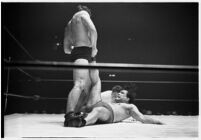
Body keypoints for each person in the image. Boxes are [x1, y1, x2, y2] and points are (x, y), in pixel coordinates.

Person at [63, 5, 101, 127]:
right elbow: (93, 29)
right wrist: (94, 47)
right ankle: (69, 115)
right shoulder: (83, 15)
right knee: (79, 84)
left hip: (81, 52)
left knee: (86, 87)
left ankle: (76, 112)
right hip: (84, 51)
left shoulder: (70, 23)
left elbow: (66, 49)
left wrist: (76, 46)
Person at [67, 84, 164, 127]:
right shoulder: (113, 100)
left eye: (122, 93)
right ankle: (72, 117)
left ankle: (81, 122)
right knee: (88, 93)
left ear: (127, 99)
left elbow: (142, 118)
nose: (119, 94)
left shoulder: (130, 107)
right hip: (103, 107)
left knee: (98, 110)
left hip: (109, 113)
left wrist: (158, 121)